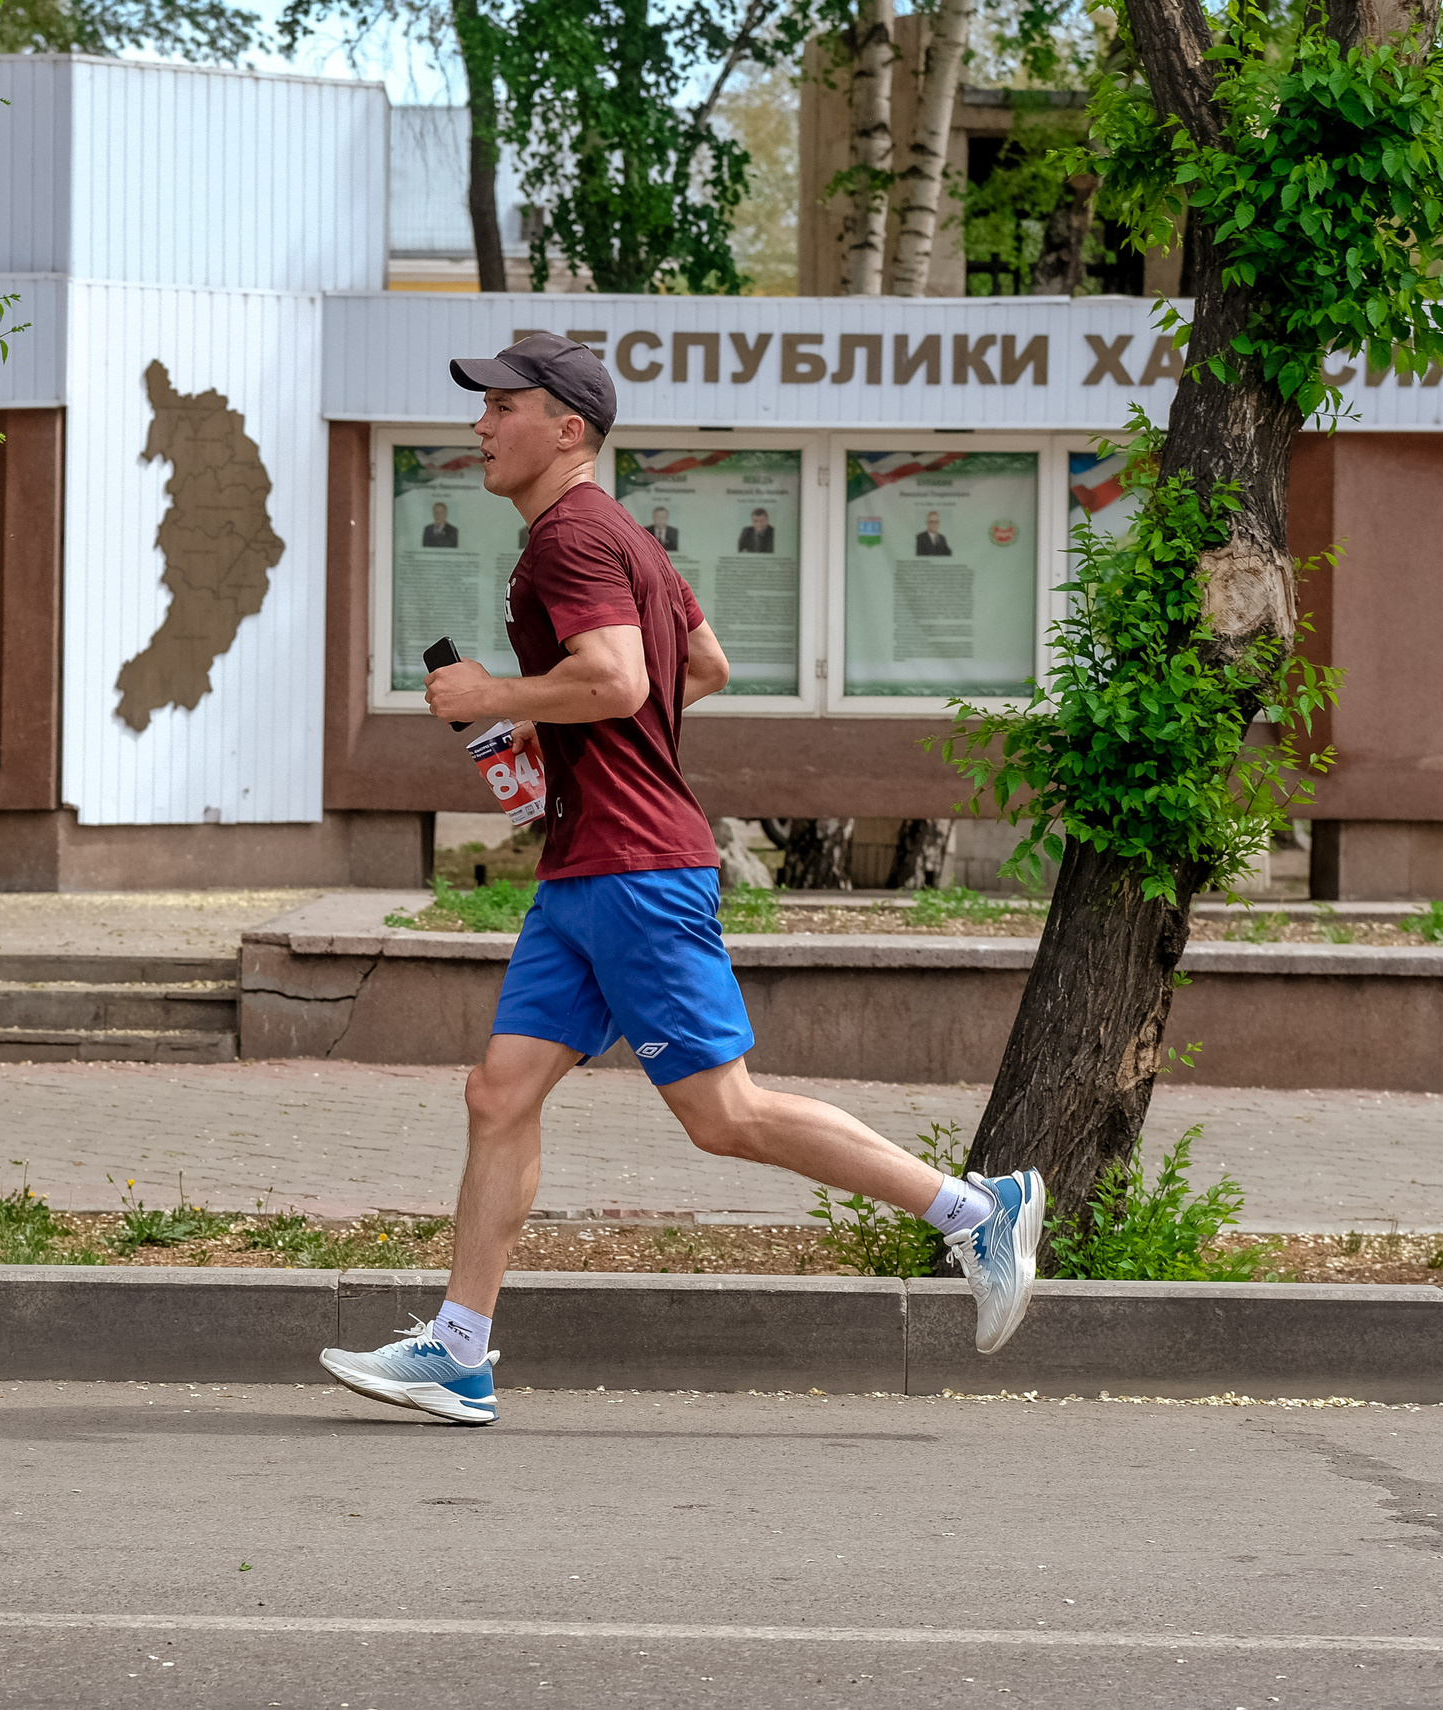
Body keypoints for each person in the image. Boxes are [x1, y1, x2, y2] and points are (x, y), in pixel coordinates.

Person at [317, 333, 1044, 1426]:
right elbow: (697, 667)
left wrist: (498, 695)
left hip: (633, 867)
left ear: (567, 427)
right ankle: (459, 1350)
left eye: (501, 408)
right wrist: (569, 735)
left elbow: (616, 679)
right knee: (497, 1094)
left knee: (722, 1113)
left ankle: (973, 1208)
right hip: (587, 867)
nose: (479, 426)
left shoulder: (569, 537)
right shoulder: (627, 539)